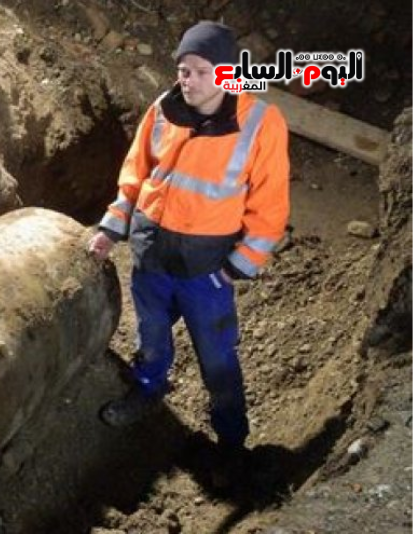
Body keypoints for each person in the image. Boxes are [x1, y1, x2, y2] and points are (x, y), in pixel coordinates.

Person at [88, 21, 290, 464]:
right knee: (151, 336)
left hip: (206, 270)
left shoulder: (260, 122)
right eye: (183, 70)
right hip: (152, 256)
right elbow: (135, 174)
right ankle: (148, 390)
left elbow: (271, 206)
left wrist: (236, 266)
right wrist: (111, 228)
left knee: (217, 358)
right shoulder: (164, 109)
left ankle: (231, 439)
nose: (188, 80)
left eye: (201, 71)